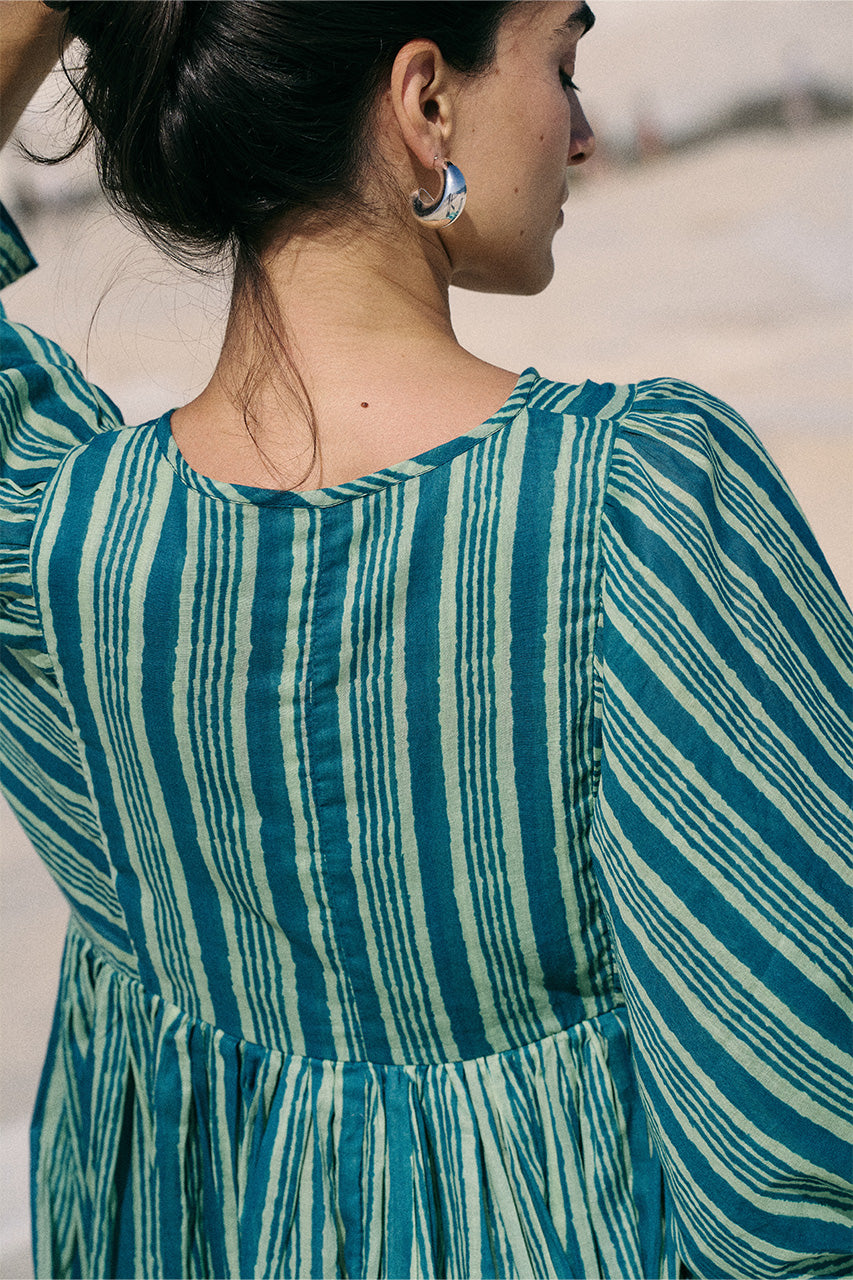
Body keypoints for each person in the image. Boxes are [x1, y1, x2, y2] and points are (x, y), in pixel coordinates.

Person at [0, 2, 850, 1277]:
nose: (580, 131)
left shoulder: (68, 549)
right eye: (563, 63)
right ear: (424, 104)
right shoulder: (637, 505)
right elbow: (793, 1139)